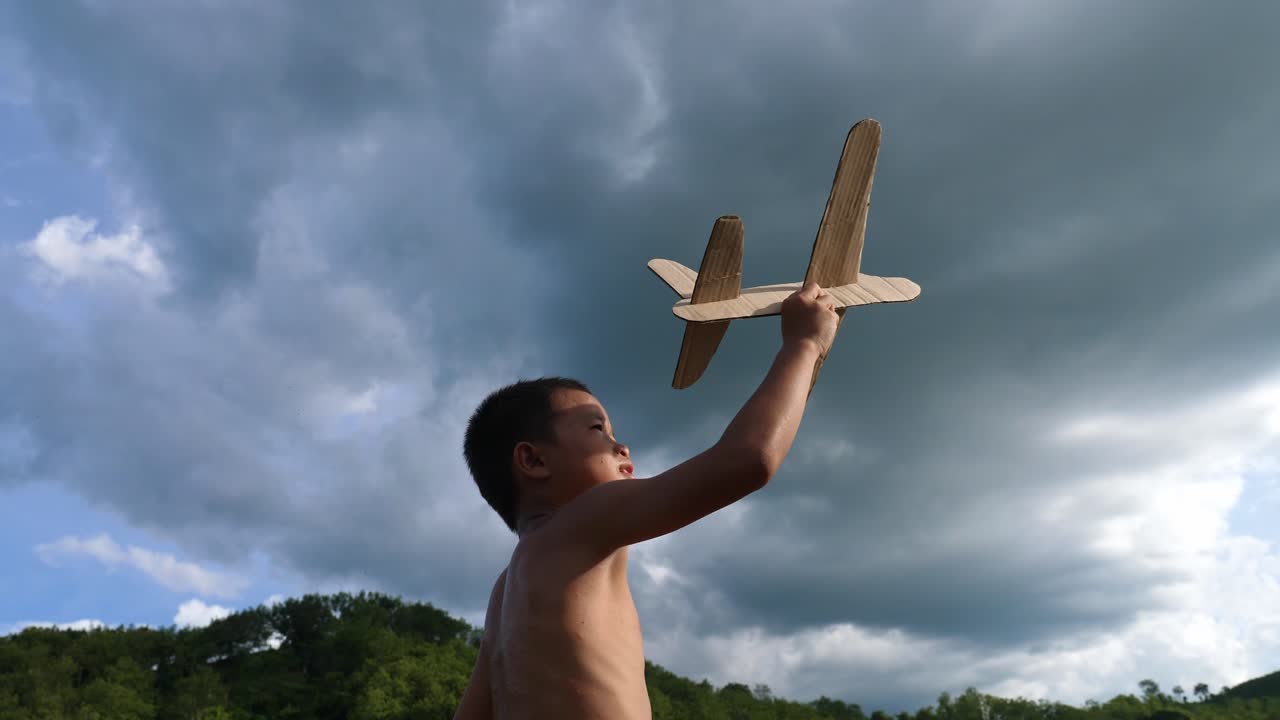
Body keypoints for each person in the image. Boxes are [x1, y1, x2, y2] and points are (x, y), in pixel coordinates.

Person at [453, 282, 840, 719]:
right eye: (598, 429)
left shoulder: (505, 594)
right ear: (533, 460)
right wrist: (804, 345)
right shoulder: (582, 521)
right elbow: (748, 460)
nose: (622, 446)